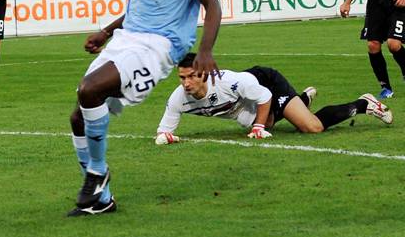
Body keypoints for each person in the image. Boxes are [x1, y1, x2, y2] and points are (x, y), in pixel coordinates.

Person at [68, 0, 221, 216]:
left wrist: (205, 50)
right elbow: (142, 2)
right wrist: (107, 31)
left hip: (158, 45)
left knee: (90, 89)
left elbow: (212, 3)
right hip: (126, 39)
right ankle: (102, 200)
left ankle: (96, 173)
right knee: (79, 116)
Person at [154, 54, 392, 146]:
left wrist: (257, 128)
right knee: (264, 123)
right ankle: (300, 102)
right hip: (248, 100)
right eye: (182, 78)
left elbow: (265, 96)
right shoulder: (178, 98)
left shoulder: (229, 82)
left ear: (204, 74)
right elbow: (163, 131)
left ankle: (364, 103)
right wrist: (166, 137)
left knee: (311, 127)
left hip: (267, 84)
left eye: (191, 77)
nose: (186, 83)